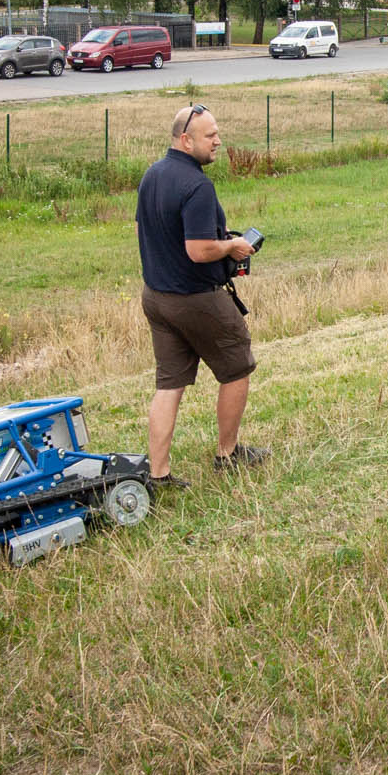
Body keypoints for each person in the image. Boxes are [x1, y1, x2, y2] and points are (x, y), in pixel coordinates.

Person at [135, 103, 269, 488]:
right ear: (185, 140)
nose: (218, 141)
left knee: (169, 384)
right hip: (195, 297)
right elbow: (197, 250)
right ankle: (228, 455)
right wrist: (231, 247)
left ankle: (158, 475)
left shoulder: (152, 175)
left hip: (156, 297)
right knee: (237, 366)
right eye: (210, 136)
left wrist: (218, 241)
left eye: (217, 133)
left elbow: (159, 232)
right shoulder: (197, 185)